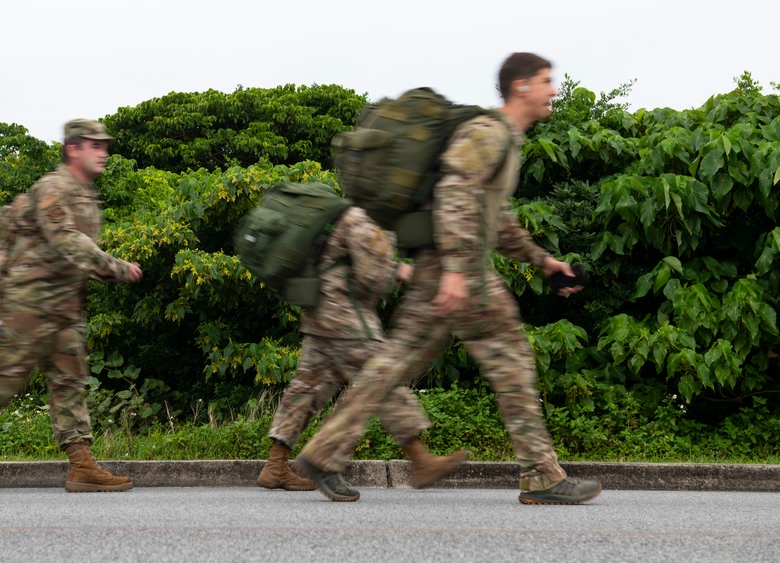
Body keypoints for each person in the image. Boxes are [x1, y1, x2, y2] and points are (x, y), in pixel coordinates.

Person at [296, 53, 602, 504]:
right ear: (520, 87)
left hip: (444, 268)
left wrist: (542, 261)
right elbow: (455, 192)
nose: (553, 90)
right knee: (511, 362)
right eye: (545, 81)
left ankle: (323, 451)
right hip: (461, 272)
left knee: (393, 363)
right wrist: (458, 273)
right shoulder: (488, 132)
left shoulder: (503, 139)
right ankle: (541, 474)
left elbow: (494, 220)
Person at [0, 119, 143, 494]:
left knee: (69, 382)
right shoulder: (52, 188)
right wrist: (116, 268)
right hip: (27, 305)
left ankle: (82, 466)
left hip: (62, 307)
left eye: (105, 146)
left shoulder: (86, 195)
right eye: (95, 146)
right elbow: (67, 239)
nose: (104, 152)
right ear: (73, 149)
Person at [257, 206, 468, 494]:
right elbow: (372, 277)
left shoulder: (354, 212)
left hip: (321, 314)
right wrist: (398, 271)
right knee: (384, 380)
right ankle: (414, 460)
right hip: (346, 318)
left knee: (305, 392)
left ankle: (275, 466)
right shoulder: (370, 217)